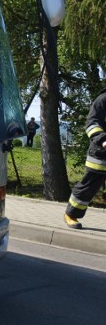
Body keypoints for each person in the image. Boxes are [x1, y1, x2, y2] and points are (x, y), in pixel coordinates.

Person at [64, 87, 106, 229]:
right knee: (89, 186)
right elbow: (92, 122)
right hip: (101, 153)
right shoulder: (103, 99)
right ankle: (71, 214)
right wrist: (102, 139)